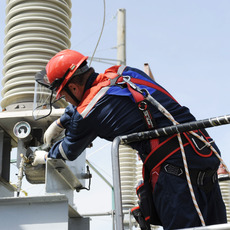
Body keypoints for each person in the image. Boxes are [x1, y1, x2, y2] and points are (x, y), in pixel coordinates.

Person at [33, 49, 227, 230]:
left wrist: (45, 155)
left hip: (175, 174)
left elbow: (68, 150)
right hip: (203, 154)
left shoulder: (87, 112)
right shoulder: (124, 73)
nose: (65, 100)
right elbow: (96, 93)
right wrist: (61, 121)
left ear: (74, 87)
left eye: (64, 95)